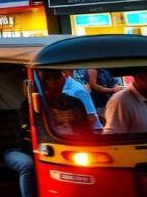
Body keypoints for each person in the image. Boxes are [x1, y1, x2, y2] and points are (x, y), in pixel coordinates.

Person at [5, 69, 91, 197]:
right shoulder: (30, 105)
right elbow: (30, 135)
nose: (54, 82)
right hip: (25, 150)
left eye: (57, 77)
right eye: (48, 78)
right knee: (27, 165)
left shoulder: (74, 102)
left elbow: (85, 130)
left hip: (69, 148)